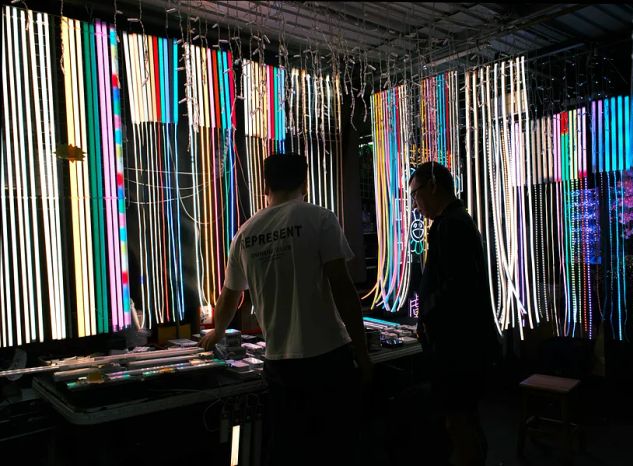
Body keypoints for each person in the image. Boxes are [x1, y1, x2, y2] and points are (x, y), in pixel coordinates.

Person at [200, 153, 371, 466]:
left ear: (265, 184)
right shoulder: (319, 218)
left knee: (291, 449)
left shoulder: (245, 234)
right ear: (304, 181)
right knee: (338, 446)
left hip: (281, 363)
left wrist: (218, 332)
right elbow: (343, 290)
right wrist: (362, 353)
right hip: (329, 356)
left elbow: (229, 298)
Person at [409, 162, 500, 466]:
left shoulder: (450, 225)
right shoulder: (458, 221)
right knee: (464, 420)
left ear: (432, 186)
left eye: (415, 194)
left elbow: (455, 287)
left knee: (458, 423)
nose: (416, 204)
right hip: (466, 344)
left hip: (457, 347)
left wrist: (427, 316)